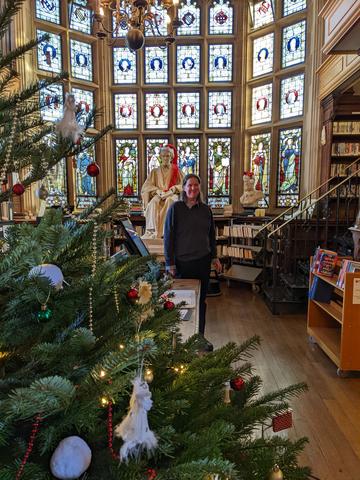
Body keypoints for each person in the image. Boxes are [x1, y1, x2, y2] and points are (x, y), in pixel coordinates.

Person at [164, 174, 222, 340]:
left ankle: (199, 337)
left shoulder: (206, 210)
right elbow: (168, 237)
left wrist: (214, 257)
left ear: (199, 188)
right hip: (182, 264)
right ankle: (181, 337)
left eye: (196, 185)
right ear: (184, 187)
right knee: (182, 302)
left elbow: (211, 236)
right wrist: (170, 263)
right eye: (189, 185)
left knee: (201, 301)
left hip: (202, 263)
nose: (193, 188)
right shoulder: (175, 208)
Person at [141, 145, 183, 239]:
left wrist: (173, 189)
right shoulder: (154, 172)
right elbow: (146, 187)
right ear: (160, 157)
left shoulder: (177, 171)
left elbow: (184, 184)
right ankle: (151, 231)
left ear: (171, 157)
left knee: (170, 201)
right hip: (159, 194)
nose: (165, 158)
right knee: (152, 203)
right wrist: (157, 190)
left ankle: (167, 232)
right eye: (163, 156)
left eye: (167, 156)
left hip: (172, 195)